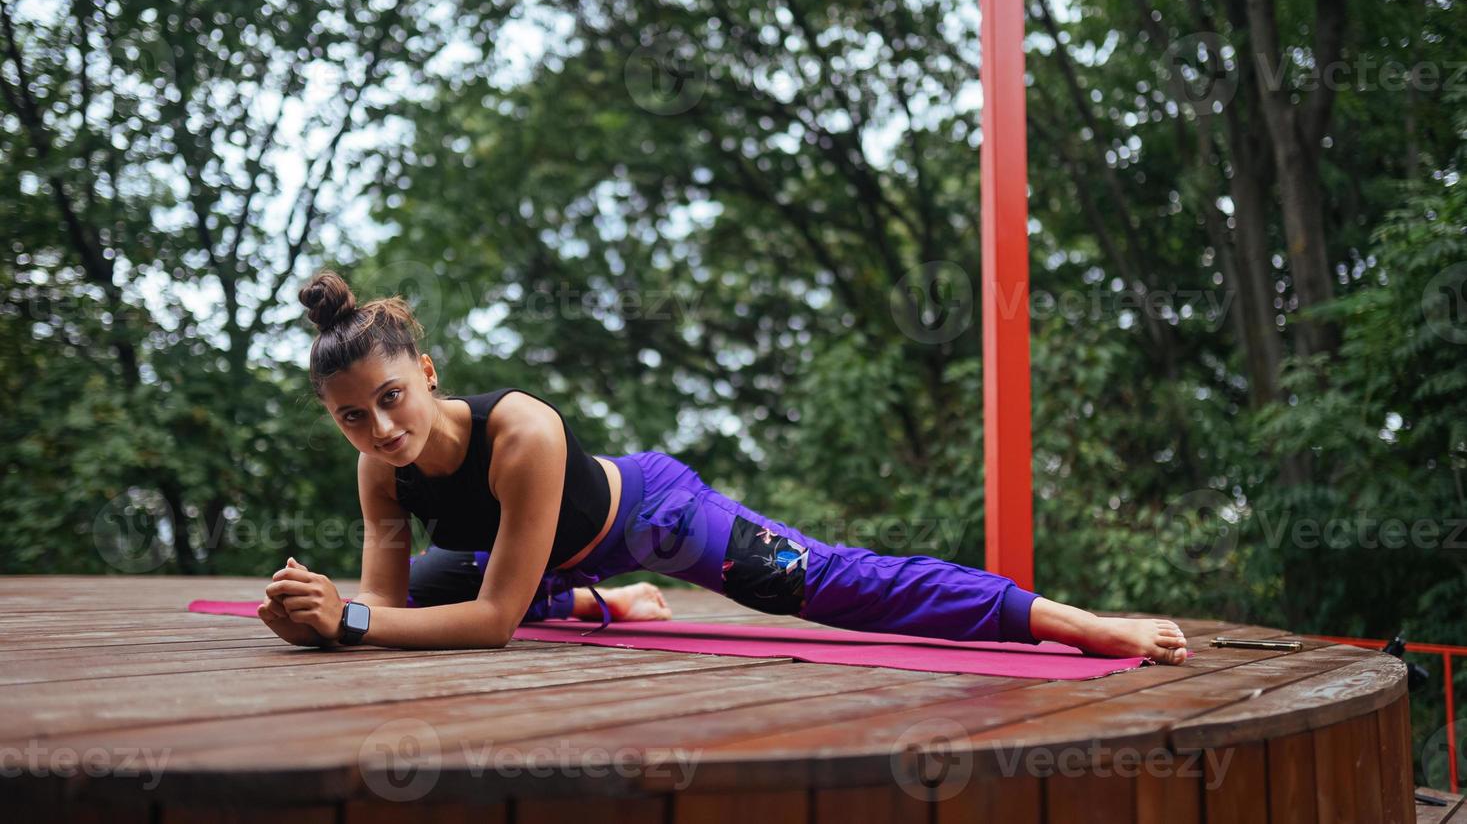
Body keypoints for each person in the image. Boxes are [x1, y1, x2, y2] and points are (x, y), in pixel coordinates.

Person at [261, 269, 1189, 664]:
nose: (379, 430)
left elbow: (494, 623)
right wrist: (329, 622)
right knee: (422, 599)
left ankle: (1065, 618)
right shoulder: (379, 468)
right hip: (548, 566)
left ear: (424, 375)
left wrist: (345, 619)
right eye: (351, 418)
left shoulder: (523, 433)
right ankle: (596, 604)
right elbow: (380, 611)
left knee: (828, 581)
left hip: (649, 520)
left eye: (391, 398)